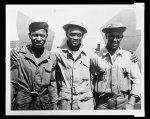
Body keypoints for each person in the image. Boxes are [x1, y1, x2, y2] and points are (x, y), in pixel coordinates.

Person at [11, 21, 138, 110]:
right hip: (64, 104)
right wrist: (16, 51)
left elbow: (101, 70)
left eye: (79, 34)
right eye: (72, 34)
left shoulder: (92, 54)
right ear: (67, 35)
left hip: (85, 104)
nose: (75, 37)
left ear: (83, 36)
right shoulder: (56, 54)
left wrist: (131, 55)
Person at [93, 22, 141, 110]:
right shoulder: (96, 57)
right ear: (106, 36)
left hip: (124, 103)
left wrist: (131, 103)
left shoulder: (129, 57)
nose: (115, 39)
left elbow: (137, 80)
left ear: (122, 37)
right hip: (102, 104)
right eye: (111, 36)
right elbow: (91, 81)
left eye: (118, 36)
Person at [11, 22, 58, 110]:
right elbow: (12, 83)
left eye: (42, 36)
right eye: (35, 35)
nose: (39, 39)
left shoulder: (51, 57)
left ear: (46, 36)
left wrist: (54, 104)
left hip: (43, 105)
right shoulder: (18, 55)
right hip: (23, 105)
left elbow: (52, 83)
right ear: (29, 35)